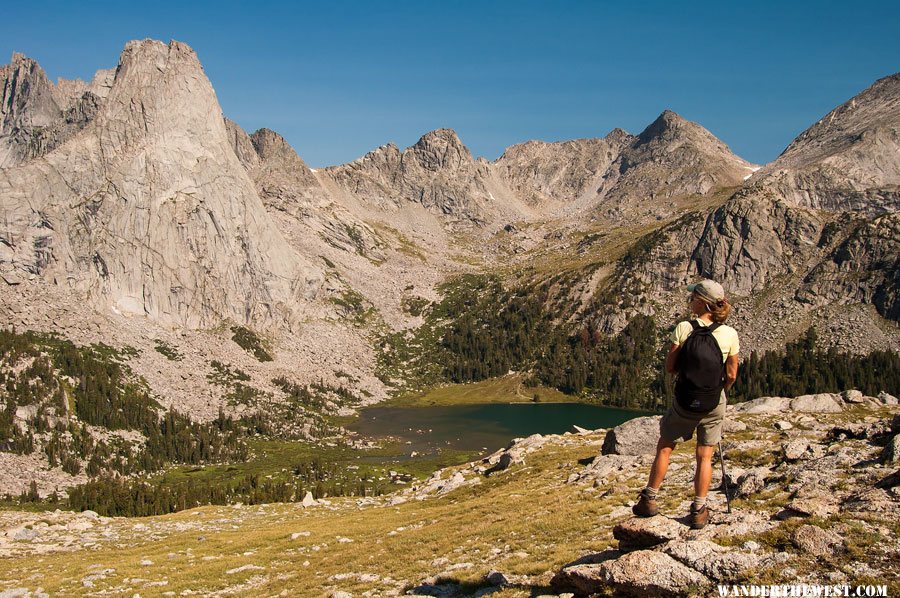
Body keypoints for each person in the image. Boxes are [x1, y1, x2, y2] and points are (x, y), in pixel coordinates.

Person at [632, 279, 739, 529]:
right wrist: (721, 392)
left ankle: (649, 499)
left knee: (665, 446)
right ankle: (699, 509)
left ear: (702, 302)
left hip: (684, 402)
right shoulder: (729, 334)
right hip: (713, 401)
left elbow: (671, 367)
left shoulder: (684, 328)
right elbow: (732, 374)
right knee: (705, 455)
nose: (690, 300)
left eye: (693, 298)